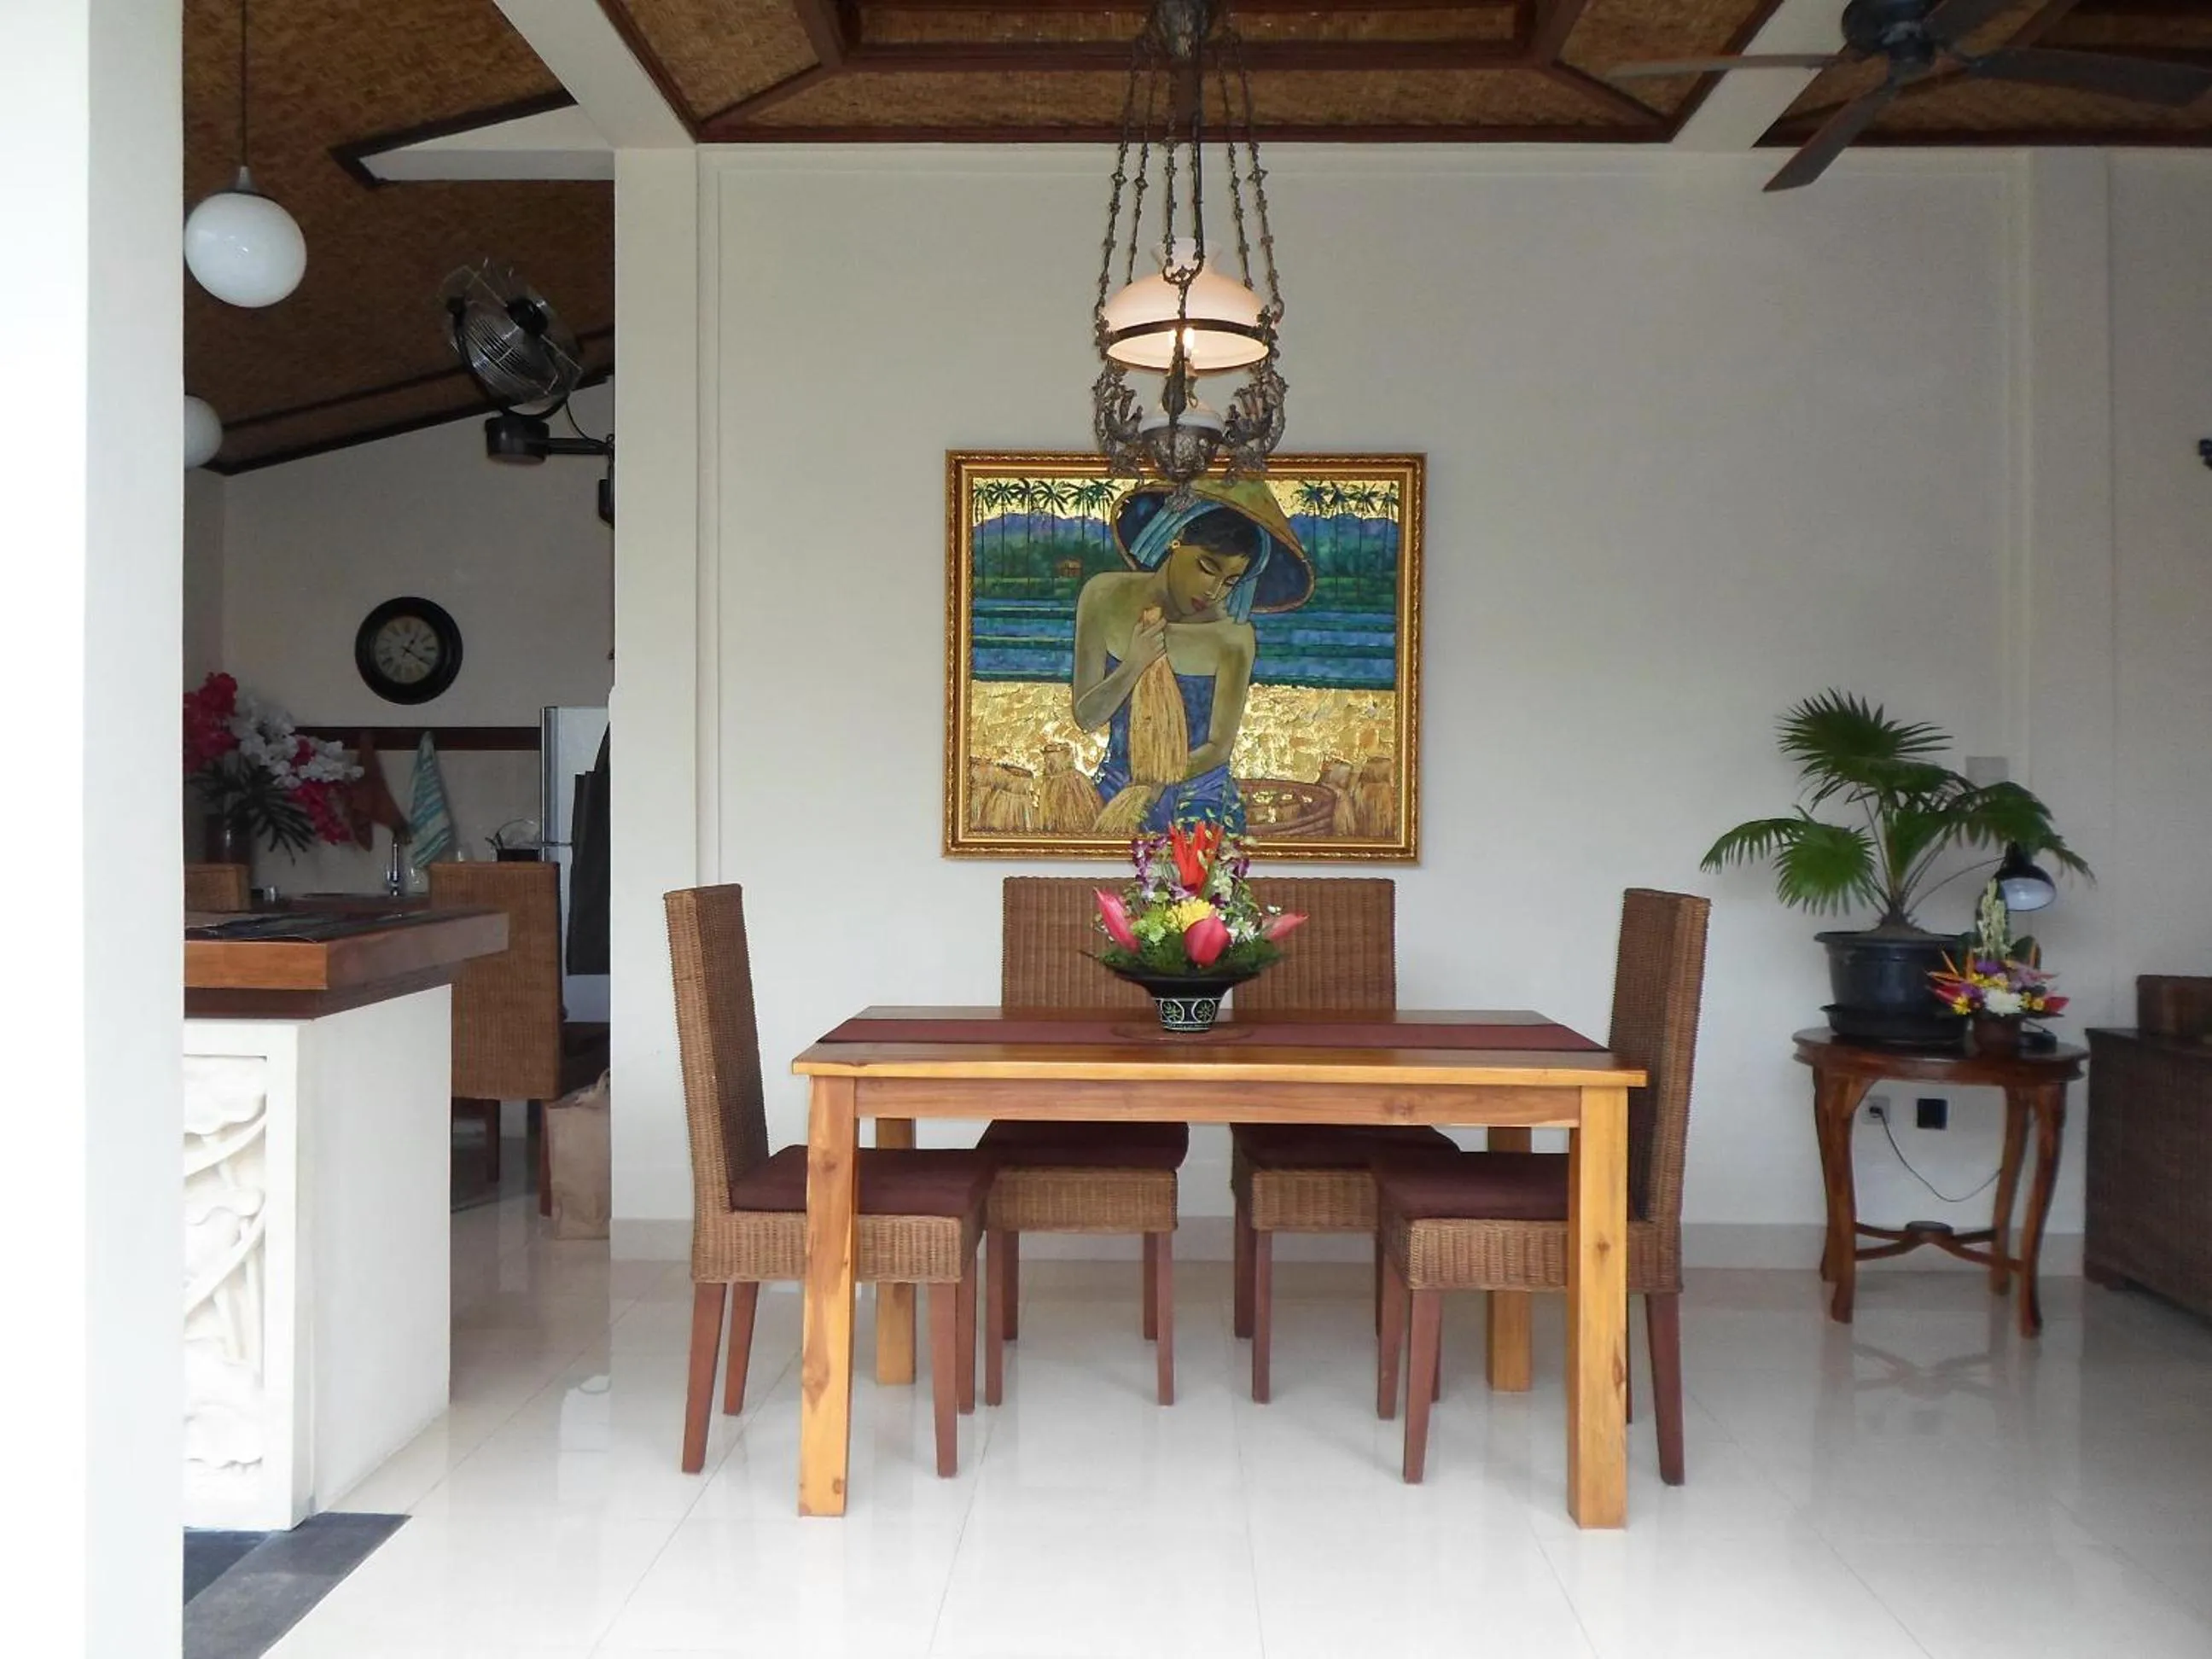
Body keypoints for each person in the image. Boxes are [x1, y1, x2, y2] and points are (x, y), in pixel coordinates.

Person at [1071, 476, 1312, 835]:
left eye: (1231, 581)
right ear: (1175, 540)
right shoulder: (1103, 595)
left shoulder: (1233, 637)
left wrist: (1157, 782)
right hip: (1119, 782)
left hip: (1198, 794)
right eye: (1207, 567)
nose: (1214, 590)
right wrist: (1134, 665)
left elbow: (1217, 747)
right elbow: (1086, 717)